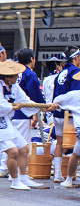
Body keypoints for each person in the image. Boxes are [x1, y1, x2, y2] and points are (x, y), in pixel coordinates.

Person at [0, 60, 43, 190]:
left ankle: (23, 177)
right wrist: (14, 107)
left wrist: (42, 108)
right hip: (1, 123)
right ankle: (15, 181)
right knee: (13, 152)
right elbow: (1, 106)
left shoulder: (14, 87)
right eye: (15, 75)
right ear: (7, 76)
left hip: (6, 122)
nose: (18, 77)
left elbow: (25, 101)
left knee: (24, 148)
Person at [51, 45, 80, 183]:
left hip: (57, 112)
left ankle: (58, 174)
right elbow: (75, 95)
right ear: (76, 58)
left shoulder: (61, 72)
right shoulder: (76, 72)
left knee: (59, 143)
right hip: (68, 115)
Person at [11, 49, 45, 152]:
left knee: (9, 146)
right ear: (32, 59)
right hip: (23, 113)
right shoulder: (30, 74)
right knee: (22, 148)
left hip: (9, 113)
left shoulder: (12, 72)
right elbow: (34, 95)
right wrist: (42, 107)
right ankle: (12, 168)